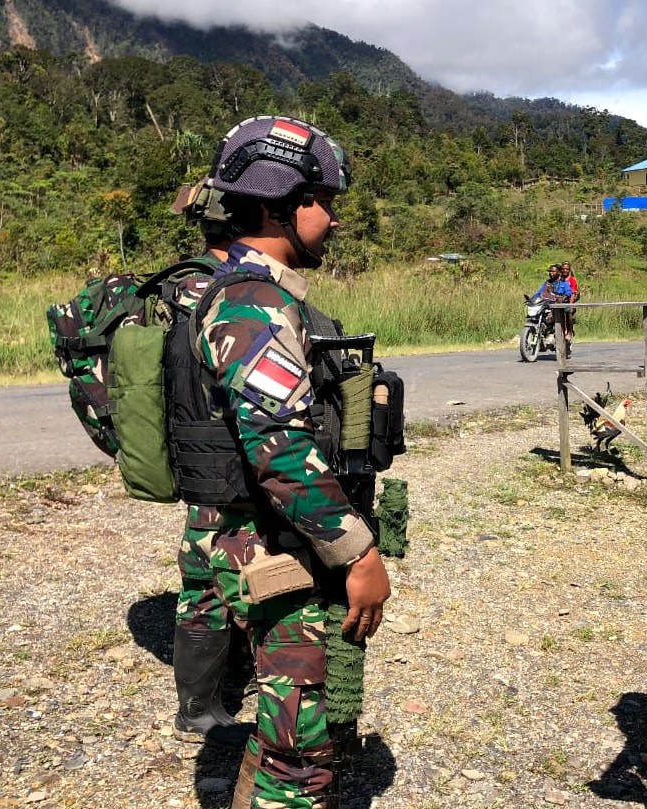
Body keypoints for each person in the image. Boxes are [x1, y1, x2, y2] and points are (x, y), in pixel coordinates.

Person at [194, 116, 391, 809]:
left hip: (275, 536)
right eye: (323, 201)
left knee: (286, 719)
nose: (333, 220)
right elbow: (279, 445)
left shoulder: (256, 291)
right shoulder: (252, 302)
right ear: (280, 204)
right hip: (276, 544)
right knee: (302, 747)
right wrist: (359, 553)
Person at [167, 180, 254, 748]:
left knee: (202, 572)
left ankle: (203, 699)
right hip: (225, 457)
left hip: (197, 453)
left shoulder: (177, 286)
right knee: (208, 580)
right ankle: (198, 708)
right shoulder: (223, 291)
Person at [560, 261, 580, 346]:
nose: (565, 270)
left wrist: (570, 304)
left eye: (566, 269)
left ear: (569, 270)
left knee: (568, 312)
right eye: (563, 269)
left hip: (570, 300)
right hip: (559, 301)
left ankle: (569, 331)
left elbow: (573, 293)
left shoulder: (572, 280)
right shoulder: (559, 279)